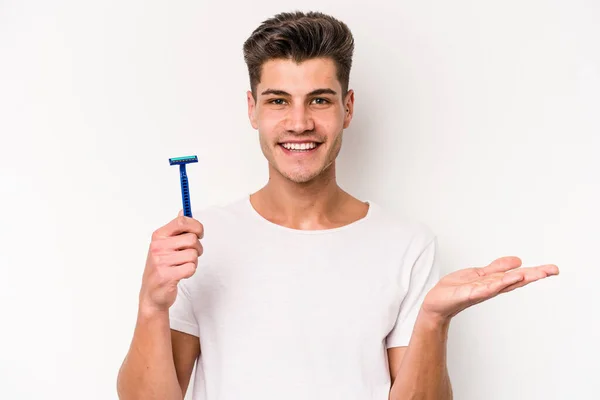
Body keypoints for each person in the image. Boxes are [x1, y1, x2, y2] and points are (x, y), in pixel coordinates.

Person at [116, 11, 559, 400]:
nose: (299, 123)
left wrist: (433, 321)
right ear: (253, 110)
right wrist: (151, 304)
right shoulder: (197, 243)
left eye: (320, 100)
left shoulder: (407, 243)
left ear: (347, 107)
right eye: (277, 101)